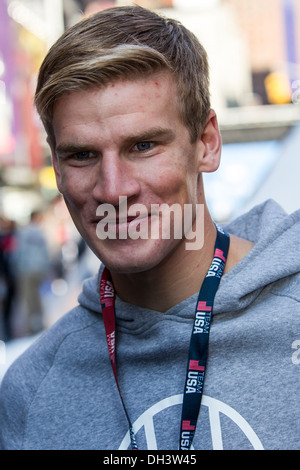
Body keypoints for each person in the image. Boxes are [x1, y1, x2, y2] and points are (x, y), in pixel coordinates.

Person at [0, 6, 299, 451]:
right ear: (57, 166)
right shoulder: (30, 392)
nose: (114, 189)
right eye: (82, 155)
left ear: (207, 144)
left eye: (143, 146)